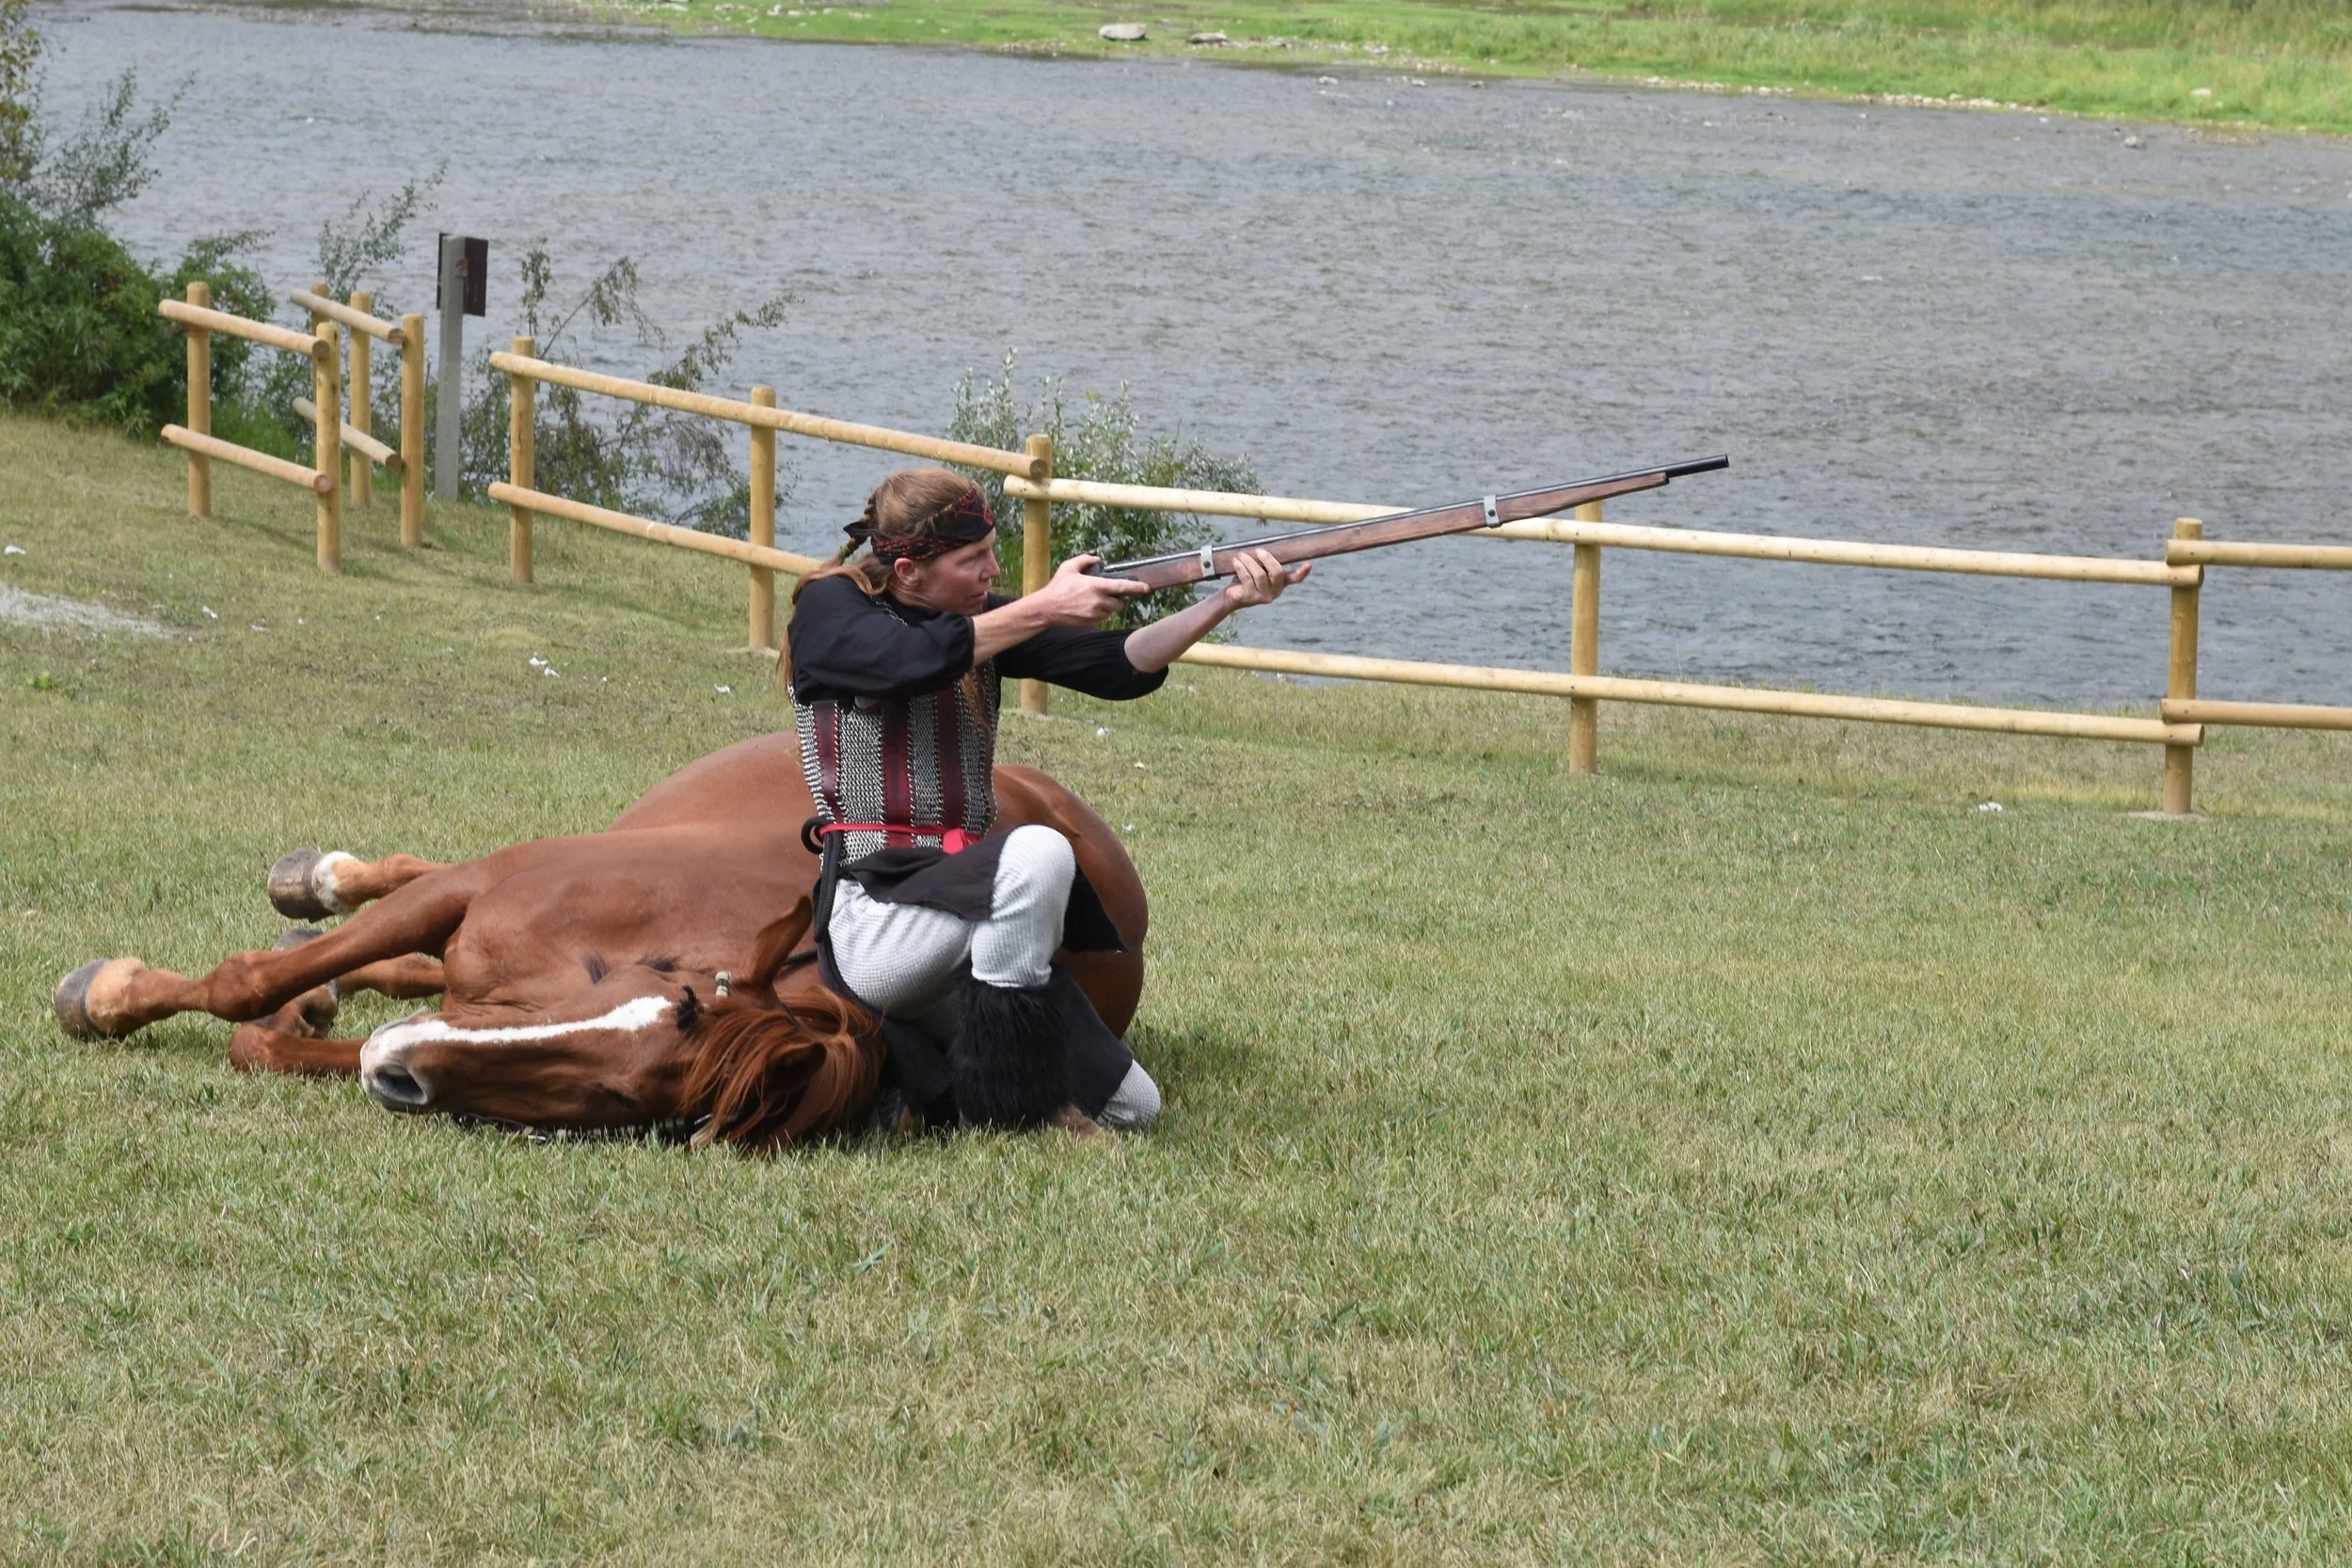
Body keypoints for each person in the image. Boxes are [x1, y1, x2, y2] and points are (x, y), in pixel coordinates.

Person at [783, 467, 1307, 1135]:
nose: (991, 570)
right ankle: (1000, 1106)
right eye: (972, 560)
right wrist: (1041, 606)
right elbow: (901, 660)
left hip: (974, 919)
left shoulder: (976, 622)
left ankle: (948, 1079)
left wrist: (1224, 602)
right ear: (909, 571)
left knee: (1134, 1106)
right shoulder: (830, 609)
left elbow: (1116, 663)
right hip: (880, 917)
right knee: (1037, 851)